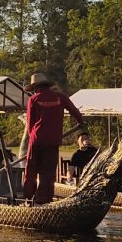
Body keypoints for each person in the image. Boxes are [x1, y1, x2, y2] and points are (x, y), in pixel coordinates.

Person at [22, 72, 84, 205]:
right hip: (53, 141)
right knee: (48, 172)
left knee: (31, 170)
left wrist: (32, 137)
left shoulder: (33, 100)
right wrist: (81, 122)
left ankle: (28, 198)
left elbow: (30, 124)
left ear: (35, 88)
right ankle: (43, 199)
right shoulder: (60, 97)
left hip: (36, 139)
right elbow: (75, 112)